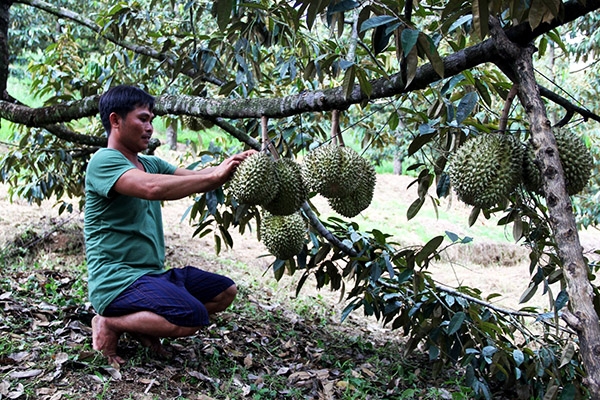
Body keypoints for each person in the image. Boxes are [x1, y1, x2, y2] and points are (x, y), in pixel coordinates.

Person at [84, 85, 255, 365]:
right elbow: (152, 188)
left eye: (152, 120)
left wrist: (233, 164)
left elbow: (198, 176)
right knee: (191, 318)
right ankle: (110, 323)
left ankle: (140, 327)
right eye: (142, 119)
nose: (150, 127)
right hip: (116, 281)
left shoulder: (150, 163)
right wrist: (214, 178)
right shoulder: (104, 162)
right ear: (115, 120)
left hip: (151, 275)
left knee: (225, 291)